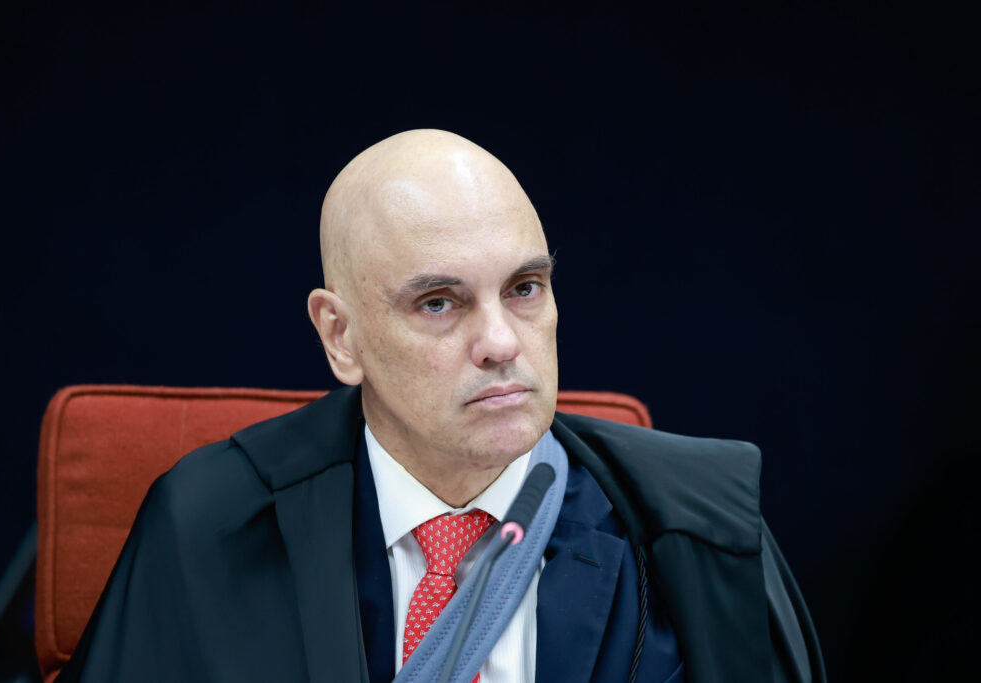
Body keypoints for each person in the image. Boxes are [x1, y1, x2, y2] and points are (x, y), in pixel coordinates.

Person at [58, 130, 825, 682]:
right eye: (438, 302)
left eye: (525, 288)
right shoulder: (211, 523)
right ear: (341, 336)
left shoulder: (696, 526)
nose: (501, 341)